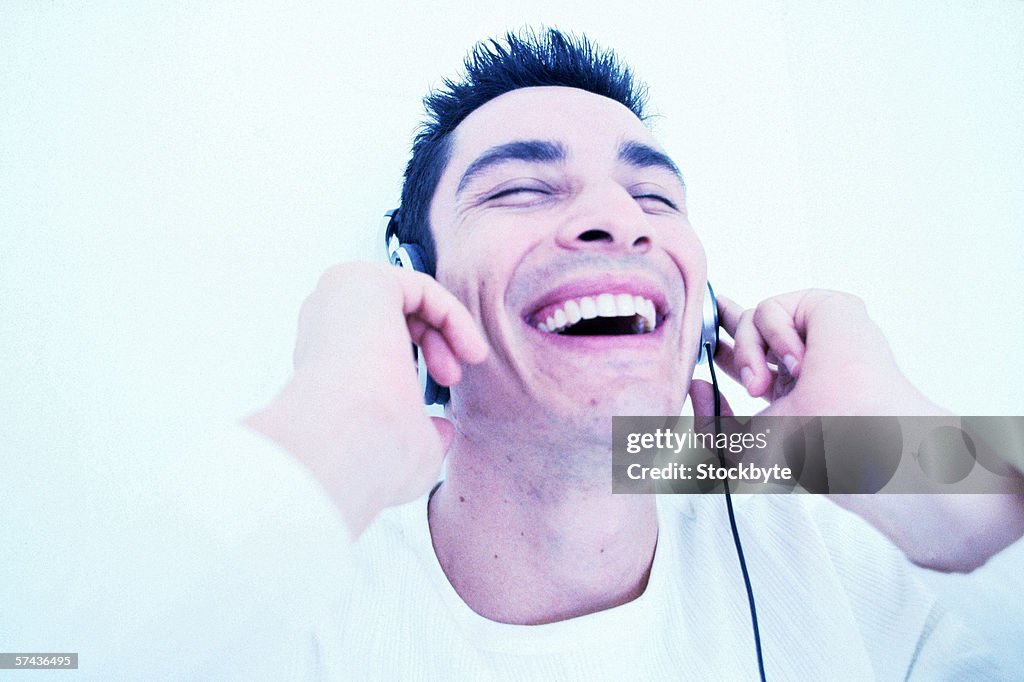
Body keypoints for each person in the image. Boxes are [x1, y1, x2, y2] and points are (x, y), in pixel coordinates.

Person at [227, 29, 1017, 679]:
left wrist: (928, 471)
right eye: (522, 188)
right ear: (413, 288)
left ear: (702, 314)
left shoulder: (844, 551)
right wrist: (328, 429)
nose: (619, 219)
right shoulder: (277, 605)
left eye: (656, 199)